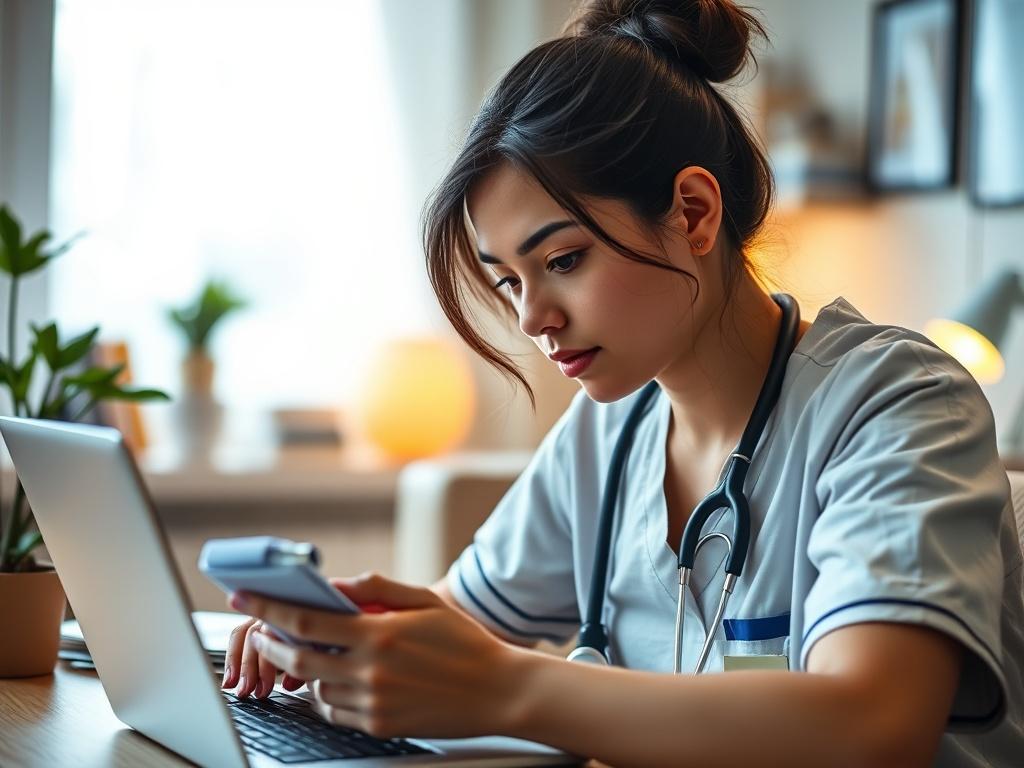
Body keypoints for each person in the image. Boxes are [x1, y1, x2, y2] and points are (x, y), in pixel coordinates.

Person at [220, 1, 1024, 765]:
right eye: (510, 281)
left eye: (564, 260)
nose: (533, 318)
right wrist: (342, 638)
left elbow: (874, 728)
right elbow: (463, 622)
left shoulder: (900, 402)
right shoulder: (609, 431)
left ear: (694, 213)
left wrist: (507, 689)